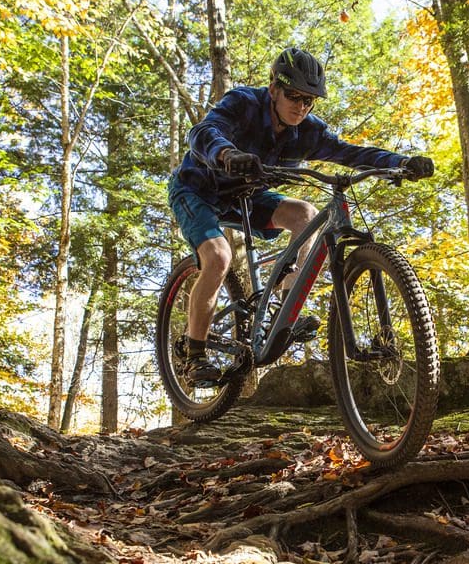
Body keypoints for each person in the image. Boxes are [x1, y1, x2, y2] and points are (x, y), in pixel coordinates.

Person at [168, 46, 435, 386]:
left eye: (309, 100)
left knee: (305, 214)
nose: (301, 106)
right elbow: (203, 133)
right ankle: (194, 355)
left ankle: (284, 303)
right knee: (218, 257)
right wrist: (227, 153)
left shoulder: (308, 130)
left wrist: (399, 162)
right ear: (273, 89)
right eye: (293, 95)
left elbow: (349, 153)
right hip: (197, 188)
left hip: (247, 195)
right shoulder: (243, 104)